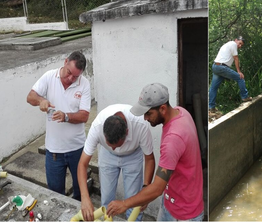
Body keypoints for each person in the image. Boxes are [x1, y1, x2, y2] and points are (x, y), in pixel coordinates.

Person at [106, 83, 204, 221]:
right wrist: (146, 193)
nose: (145, 118)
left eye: (148, 113)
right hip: (171, 201)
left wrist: (124, 204)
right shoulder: (180, 112)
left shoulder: (173, 139)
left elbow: (157, 188)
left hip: (183, 214)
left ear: (162, 108)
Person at [26, 51, 90, 201]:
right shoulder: (49, 77)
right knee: (55, 194)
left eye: (75, 76)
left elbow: (84, 115)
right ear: (65, 61)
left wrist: (66, 116)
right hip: (54, 151)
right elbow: (30, 97)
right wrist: (41, 100)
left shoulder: (84, 83)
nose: (70, 79)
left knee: (81, 191)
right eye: (69, 73)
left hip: (77, 149)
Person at [77, 104, 155, 221]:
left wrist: (146, 187)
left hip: (132, 155)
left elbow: (150, 159)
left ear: (127, 132)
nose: (115, 149)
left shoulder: (140, 125)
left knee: (134, 199)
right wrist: (85, 197)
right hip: (107, 156)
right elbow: (82, 164)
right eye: (111, 145)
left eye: (117, 146)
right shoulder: (97, 126)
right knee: (107, 198)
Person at [208, 36, 252, 112]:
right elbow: (236, 58)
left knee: (213, 88)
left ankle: (211, 107)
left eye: (241, 45)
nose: (240, 46)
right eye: (240, 43)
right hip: (221, 67)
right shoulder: (233, 44)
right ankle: (245, 96)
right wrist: (239, 71)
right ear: (236, 40)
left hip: (215, 66)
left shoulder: (227, 44)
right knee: (240, 77)